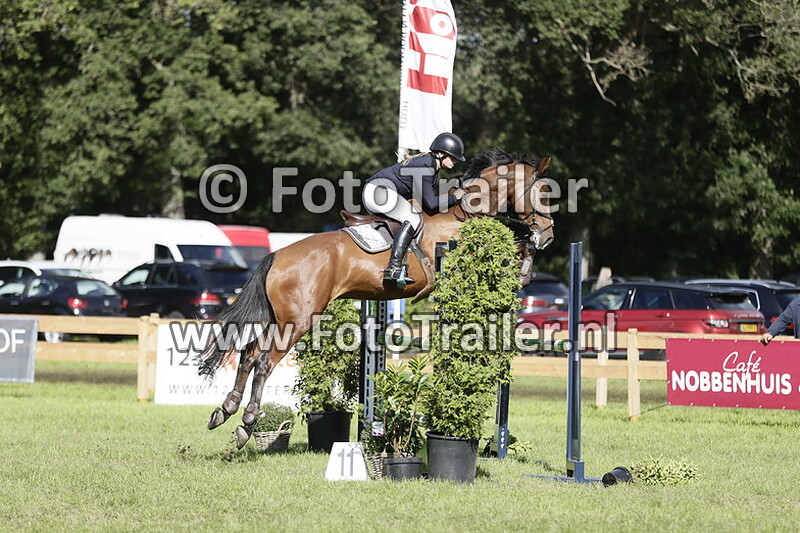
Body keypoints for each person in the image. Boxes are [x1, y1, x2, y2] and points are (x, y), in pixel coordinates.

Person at [362, 132, 467, 286]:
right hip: (378, 192)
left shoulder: (431, 166)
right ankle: (393, 268)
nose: (455, 161)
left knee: (409, 217)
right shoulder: (426, 165)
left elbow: (427, 202)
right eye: (452, 157)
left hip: (376, 192)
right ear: (440, 154)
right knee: (412, 218)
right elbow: (431, 204)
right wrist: (455, 198)